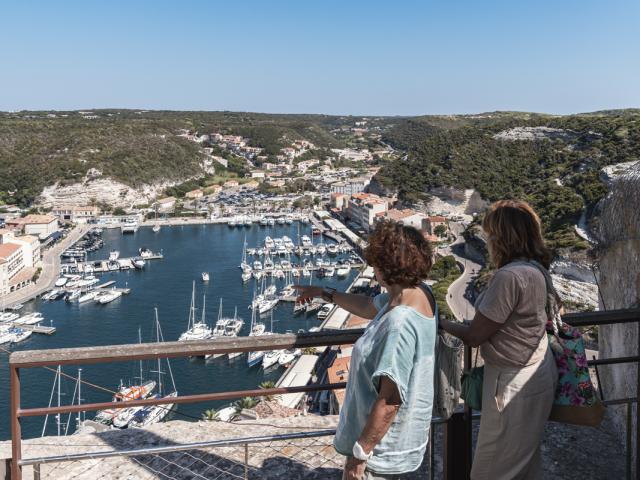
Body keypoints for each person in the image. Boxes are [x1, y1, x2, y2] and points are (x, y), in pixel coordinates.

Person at [295, 220, 437, 480]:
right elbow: (369, 306)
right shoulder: (418, 294)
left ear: (385, 265)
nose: (371, 267)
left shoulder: (400, 322)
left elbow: (390, 399)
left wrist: (358, 457)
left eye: (374, 261)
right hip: (404, 441)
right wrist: (323, 292)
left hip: (382, 453)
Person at [440, 200, 558, 480]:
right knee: (524, 465)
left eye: (490, 234)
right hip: (539, 371)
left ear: (502, 238)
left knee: (489, 471)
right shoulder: (537, 269)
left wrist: (439, 322)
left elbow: (475, 336)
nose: (488, 241)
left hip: (511, 383)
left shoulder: (509, 277)